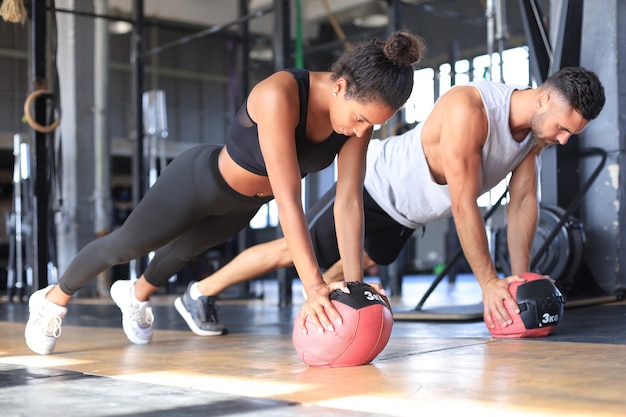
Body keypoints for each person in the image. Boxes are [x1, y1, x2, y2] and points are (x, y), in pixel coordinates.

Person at [24, 30, 426, 355]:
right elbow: (289, 198)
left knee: (184, 251)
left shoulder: (358, 122)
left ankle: (135, 294)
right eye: (359, 120)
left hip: (243, 204)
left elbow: (350, 200)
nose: (361, 132)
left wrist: (354, 286)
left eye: (370, 125)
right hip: (199, 183)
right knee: (125, 247)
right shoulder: (280, 94)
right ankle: (52, 299)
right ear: (340, 86)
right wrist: (315, 287)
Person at [175, 66, 605, 336]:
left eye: (571, 134)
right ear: (545, 98)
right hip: (375, 191)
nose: (563, 139)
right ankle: (200, 291)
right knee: (294, 249)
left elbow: (523, 201)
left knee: (349, 273)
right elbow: (463, 204)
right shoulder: (470, 109)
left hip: (408, 215)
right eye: (564, 128)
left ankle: (316, 296)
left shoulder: (536, 133)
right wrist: (489, 284)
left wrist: (519, 276)